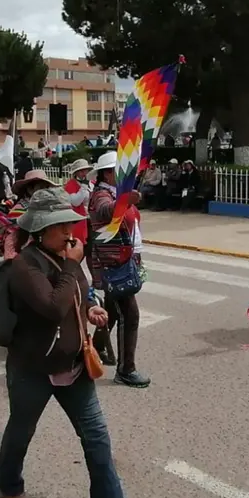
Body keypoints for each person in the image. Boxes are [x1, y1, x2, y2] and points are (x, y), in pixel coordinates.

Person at [0, 188, 127, 498]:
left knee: (98, 443)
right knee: (21, 429)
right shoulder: (24, 266)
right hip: (32, 370)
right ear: (40, 229)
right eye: (60, 226)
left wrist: (91, 309)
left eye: (70, 223)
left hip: (75, 365)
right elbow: (52, 307)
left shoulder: (67, 256)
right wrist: (71, 265)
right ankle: (8, 480)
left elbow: (80, 294)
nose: (69, 231)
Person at [88, 151, 149, 388]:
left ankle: (92, 350)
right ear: (107, 173)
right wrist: (126, 201)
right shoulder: (101, 195)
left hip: (121, 263)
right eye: (119, 171)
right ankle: (126, 370)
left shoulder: (114, 193)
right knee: (130, 315)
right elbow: (105, 210)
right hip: (112, 265)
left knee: (113, 313)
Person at [3, 169, 59, 259]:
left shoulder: (47, 208)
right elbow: (11, 242)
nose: (45, 192)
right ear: (29, 189)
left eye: (46, 187)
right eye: (40, 188)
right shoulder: (18, 211)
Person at [64, 159, 94, 245]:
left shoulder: (91, 183)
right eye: (81, 171)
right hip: (79, 220)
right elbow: (76, 202)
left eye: (86, 170)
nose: (84, 173)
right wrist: (84, 186)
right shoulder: (71, 184)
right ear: (76, 173)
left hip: (92, 219)